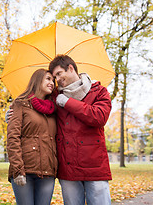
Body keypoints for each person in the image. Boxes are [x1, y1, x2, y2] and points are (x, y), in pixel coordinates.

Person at [49, 54, 112, 205]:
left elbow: (99, 117)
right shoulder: (55, 95)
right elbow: (37, 106)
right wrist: (18, 113)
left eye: (59, 74)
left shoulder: (99, 91)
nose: (56, 79)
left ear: (70, 68)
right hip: (68, 166)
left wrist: (68, 103)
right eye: (54, 76)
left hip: (94, 166)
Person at [7, 68, 58, 205]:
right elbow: (13, 138)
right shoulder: (20, 104)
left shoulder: (54, 109)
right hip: (25, 170)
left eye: (53, 80)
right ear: (37, 80)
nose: (52, 83)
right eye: (48, 79)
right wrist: (18, 170)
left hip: (48, 171)